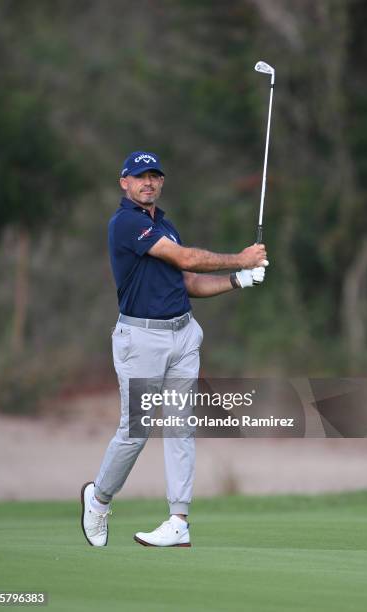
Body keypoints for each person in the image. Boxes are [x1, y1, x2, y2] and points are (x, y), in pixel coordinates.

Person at [81, 151, 268, 547]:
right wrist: (241, 257)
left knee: (181, 428)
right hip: (141, 339)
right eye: (139, 177)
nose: (147, 183)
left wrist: (241, 279)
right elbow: (185, 258)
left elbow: (190, 283)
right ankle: (98, 501)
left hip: (183, 335)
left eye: (154, 176)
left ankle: (178, 520)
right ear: (124, 183)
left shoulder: (166, 225)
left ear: (161, 182)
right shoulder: (126, 224)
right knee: (136, 431)